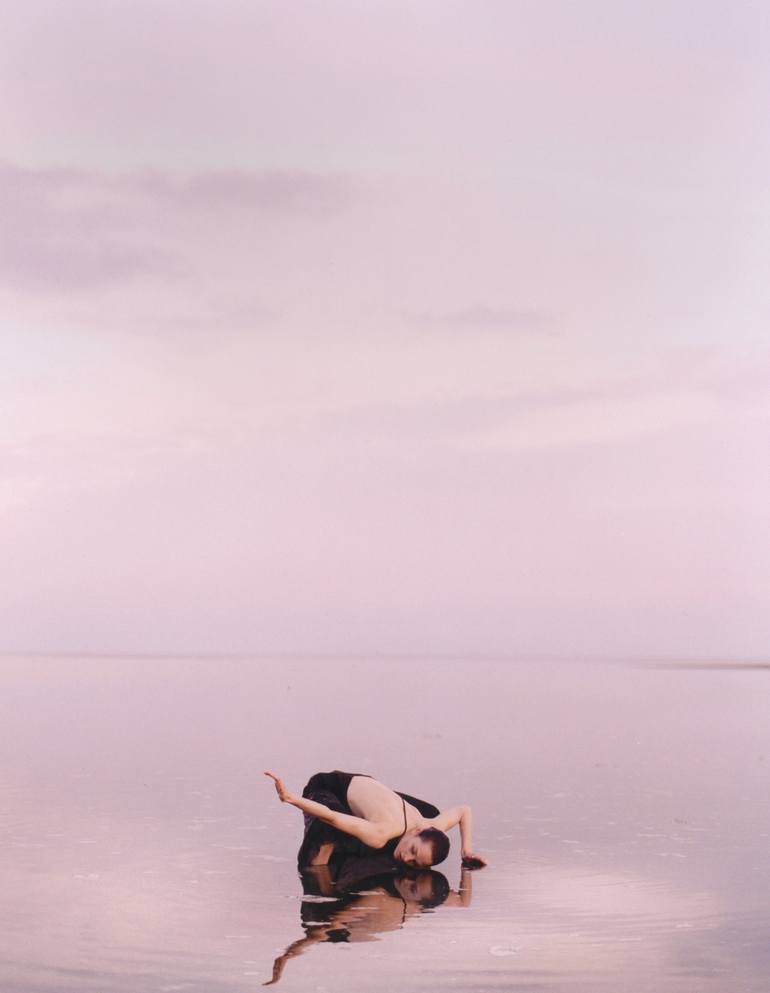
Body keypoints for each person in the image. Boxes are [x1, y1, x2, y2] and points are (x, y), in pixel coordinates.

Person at [264, 769, 488, 870]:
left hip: (370, 788)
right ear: (417, 832)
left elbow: (463, 811)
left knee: (430, 811)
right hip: (330, 786)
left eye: (414, 863)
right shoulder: (381, 833)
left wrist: (466, 852)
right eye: (412, 850)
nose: (406, 858)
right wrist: (290, 798)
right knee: (328, 835)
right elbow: (331, 817)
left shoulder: (432, 827)